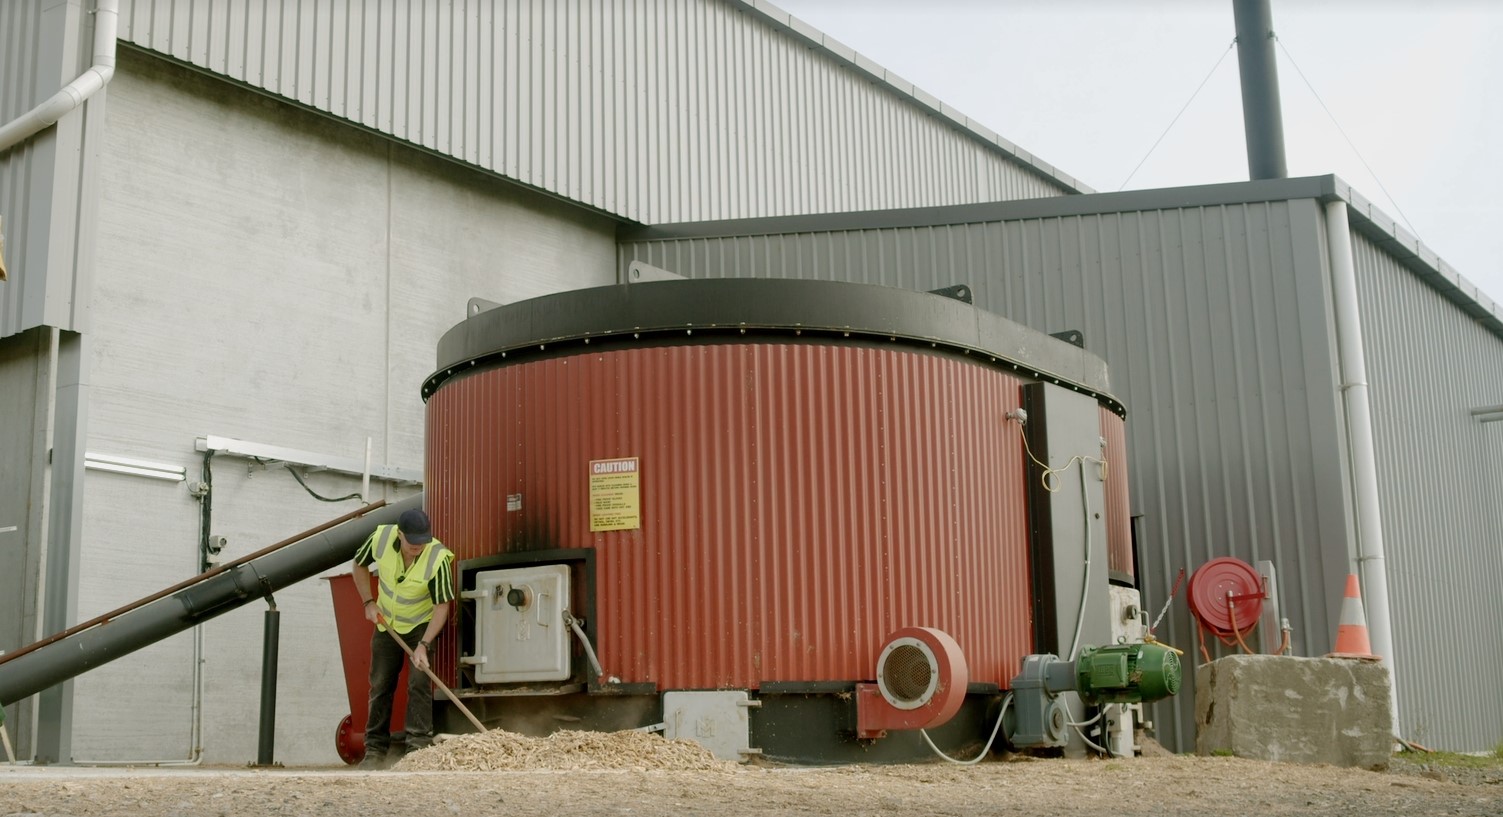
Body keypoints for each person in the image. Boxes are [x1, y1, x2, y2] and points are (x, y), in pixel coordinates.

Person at [351, 507, 455, 769]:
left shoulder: (437, 557)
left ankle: (417, 751)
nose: (418, 547)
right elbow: (359, 564)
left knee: (419, 683)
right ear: (400, 534)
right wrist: (368, 602)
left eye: (423, 541)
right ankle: (374, 751)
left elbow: (442, 606)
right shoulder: (381, 538)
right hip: (387, 625)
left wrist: (423, 645)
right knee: (380, 685)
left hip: (421, 626)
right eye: (412, 542)